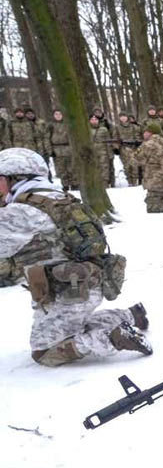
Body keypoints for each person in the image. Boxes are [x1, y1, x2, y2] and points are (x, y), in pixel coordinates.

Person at [0, 148, 152, 365]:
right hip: (83, 285)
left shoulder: (23, 210)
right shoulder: (58, 198)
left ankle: (112, 338)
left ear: (16, 178)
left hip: (68, 293)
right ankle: (129, 316)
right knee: (74, 325)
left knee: (44, 352)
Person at [47, 109, 75, 190]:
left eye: (60, 114)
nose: (58, 116)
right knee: (61, 168)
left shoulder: (67, 124)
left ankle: (74, 183)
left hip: (68, 147)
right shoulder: (51, 126)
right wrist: (50, 150)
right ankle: (65, 184)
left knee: (71, 167)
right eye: (56, 114)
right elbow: (47, 138)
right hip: (57, 149)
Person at [113, 112, 143, 185]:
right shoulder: (117, 127)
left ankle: (135, 181)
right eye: (121, 116)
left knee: (134, 166)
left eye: (124, 116)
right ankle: (129, 181)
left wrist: (137, 143)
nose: (123, 118)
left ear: (127, 117)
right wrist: (116, 148)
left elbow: (138, 136)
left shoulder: (134, 127)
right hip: (123, 149)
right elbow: (115, 138)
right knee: (126, 166)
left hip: (133, 149)